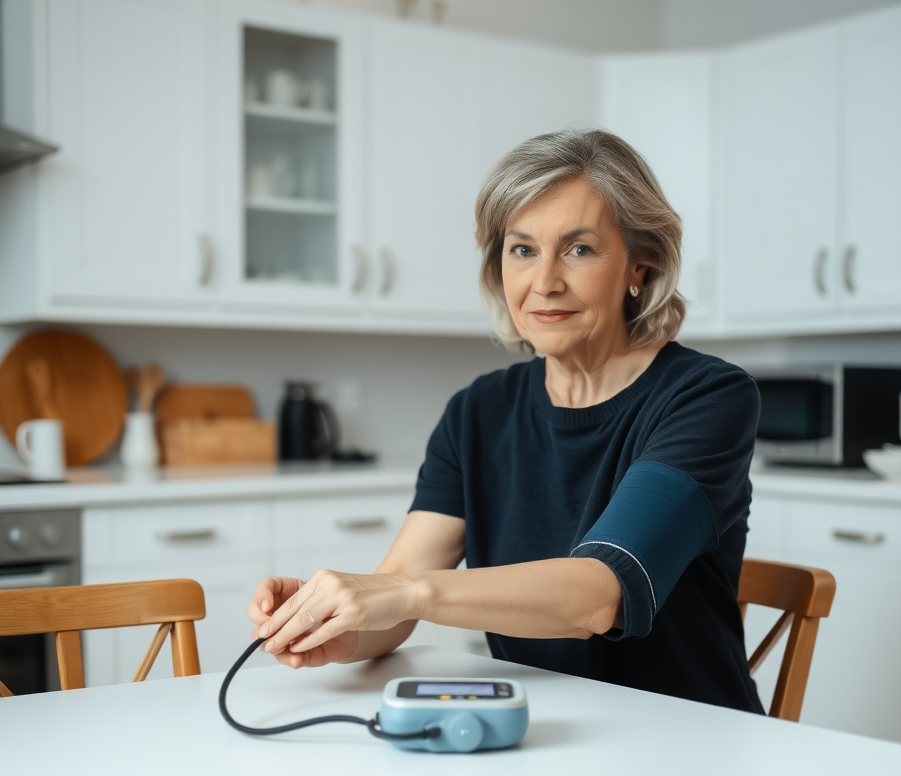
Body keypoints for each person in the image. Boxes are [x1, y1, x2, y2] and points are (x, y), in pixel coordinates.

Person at [248, 127, 763, 714]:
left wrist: (401, 593)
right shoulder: (477, 412)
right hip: (537, 727)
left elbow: (599, 596)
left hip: (688, 738)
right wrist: (343, 627)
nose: (544, 282)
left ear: (639, 265)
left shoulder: (707, 397)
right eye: (522, 249)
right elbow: (400, 593)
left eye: (579, 249)